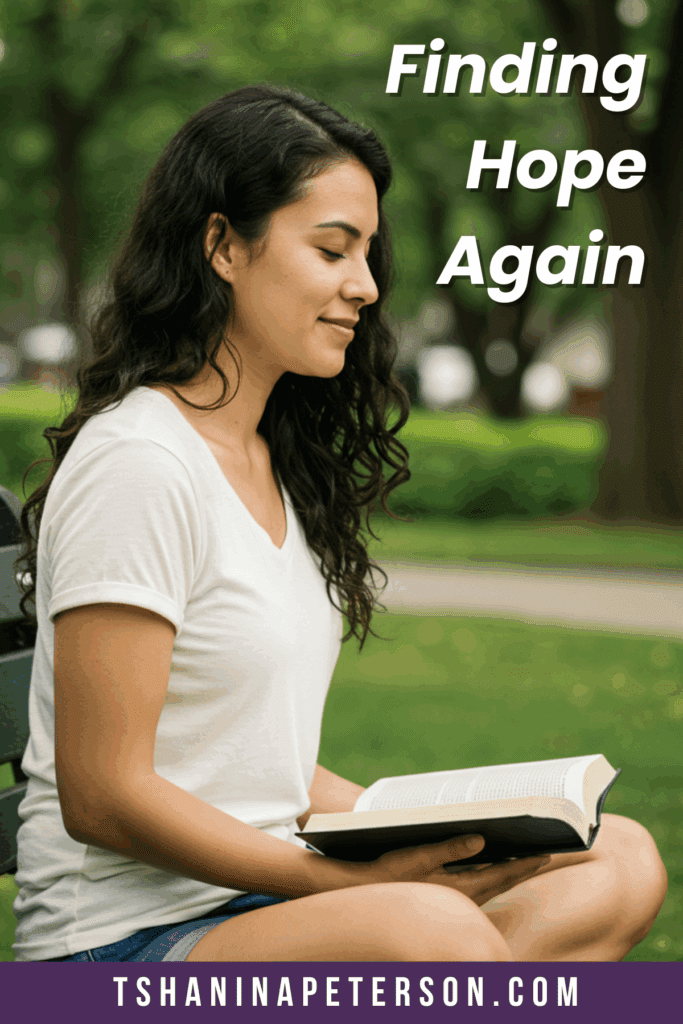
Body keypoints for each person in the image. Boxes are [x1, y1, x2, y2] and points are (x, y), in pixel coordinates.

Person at [13, 84, 666, 963]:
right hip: (123, 945)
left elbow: (254, 768)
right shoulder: (140, 461)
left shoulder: (272, 466)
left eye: (366, 254)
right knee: (425, 931)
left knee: (614, 857)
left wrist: (444, 836)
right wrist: (350, 885)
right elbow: (102, 795)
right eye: (331, 249)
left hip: (264, 897)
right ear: (221, 246)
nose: (363, 287)